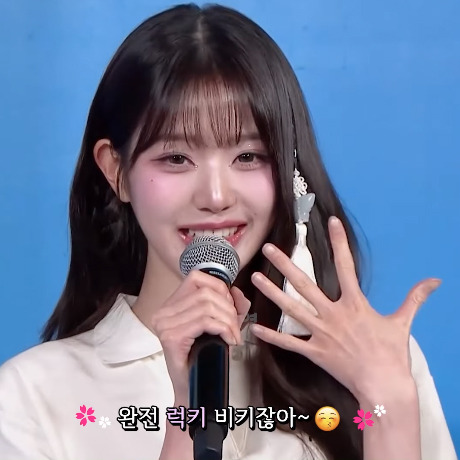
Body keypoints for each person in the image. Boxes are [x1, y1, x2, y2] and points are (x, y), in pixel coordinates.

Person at [0, 3, 456, 460]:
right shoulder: (34, 397)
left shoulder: (381, 361)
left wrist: (389, 402)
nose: (216, 196)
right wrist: (187, 414)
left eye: (248, 157)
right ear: (115, 171)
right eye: (176, 158)